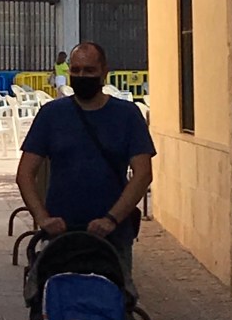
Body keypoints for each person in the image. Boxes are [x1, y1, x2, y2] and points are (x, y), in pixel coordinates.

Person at [16, 41, 154, 286]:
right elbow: (25, 173)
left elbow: (143, 174)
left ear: (104, 72)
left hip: (113, 236)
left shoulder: (127, 115)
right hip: (61, 236)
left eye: (89, 70)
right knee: (59, 299)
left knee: (114, 299)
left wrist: (111, 219)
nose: (82, 76)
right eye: (76, 70)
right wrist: (42, 218)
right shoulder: (51, 114)